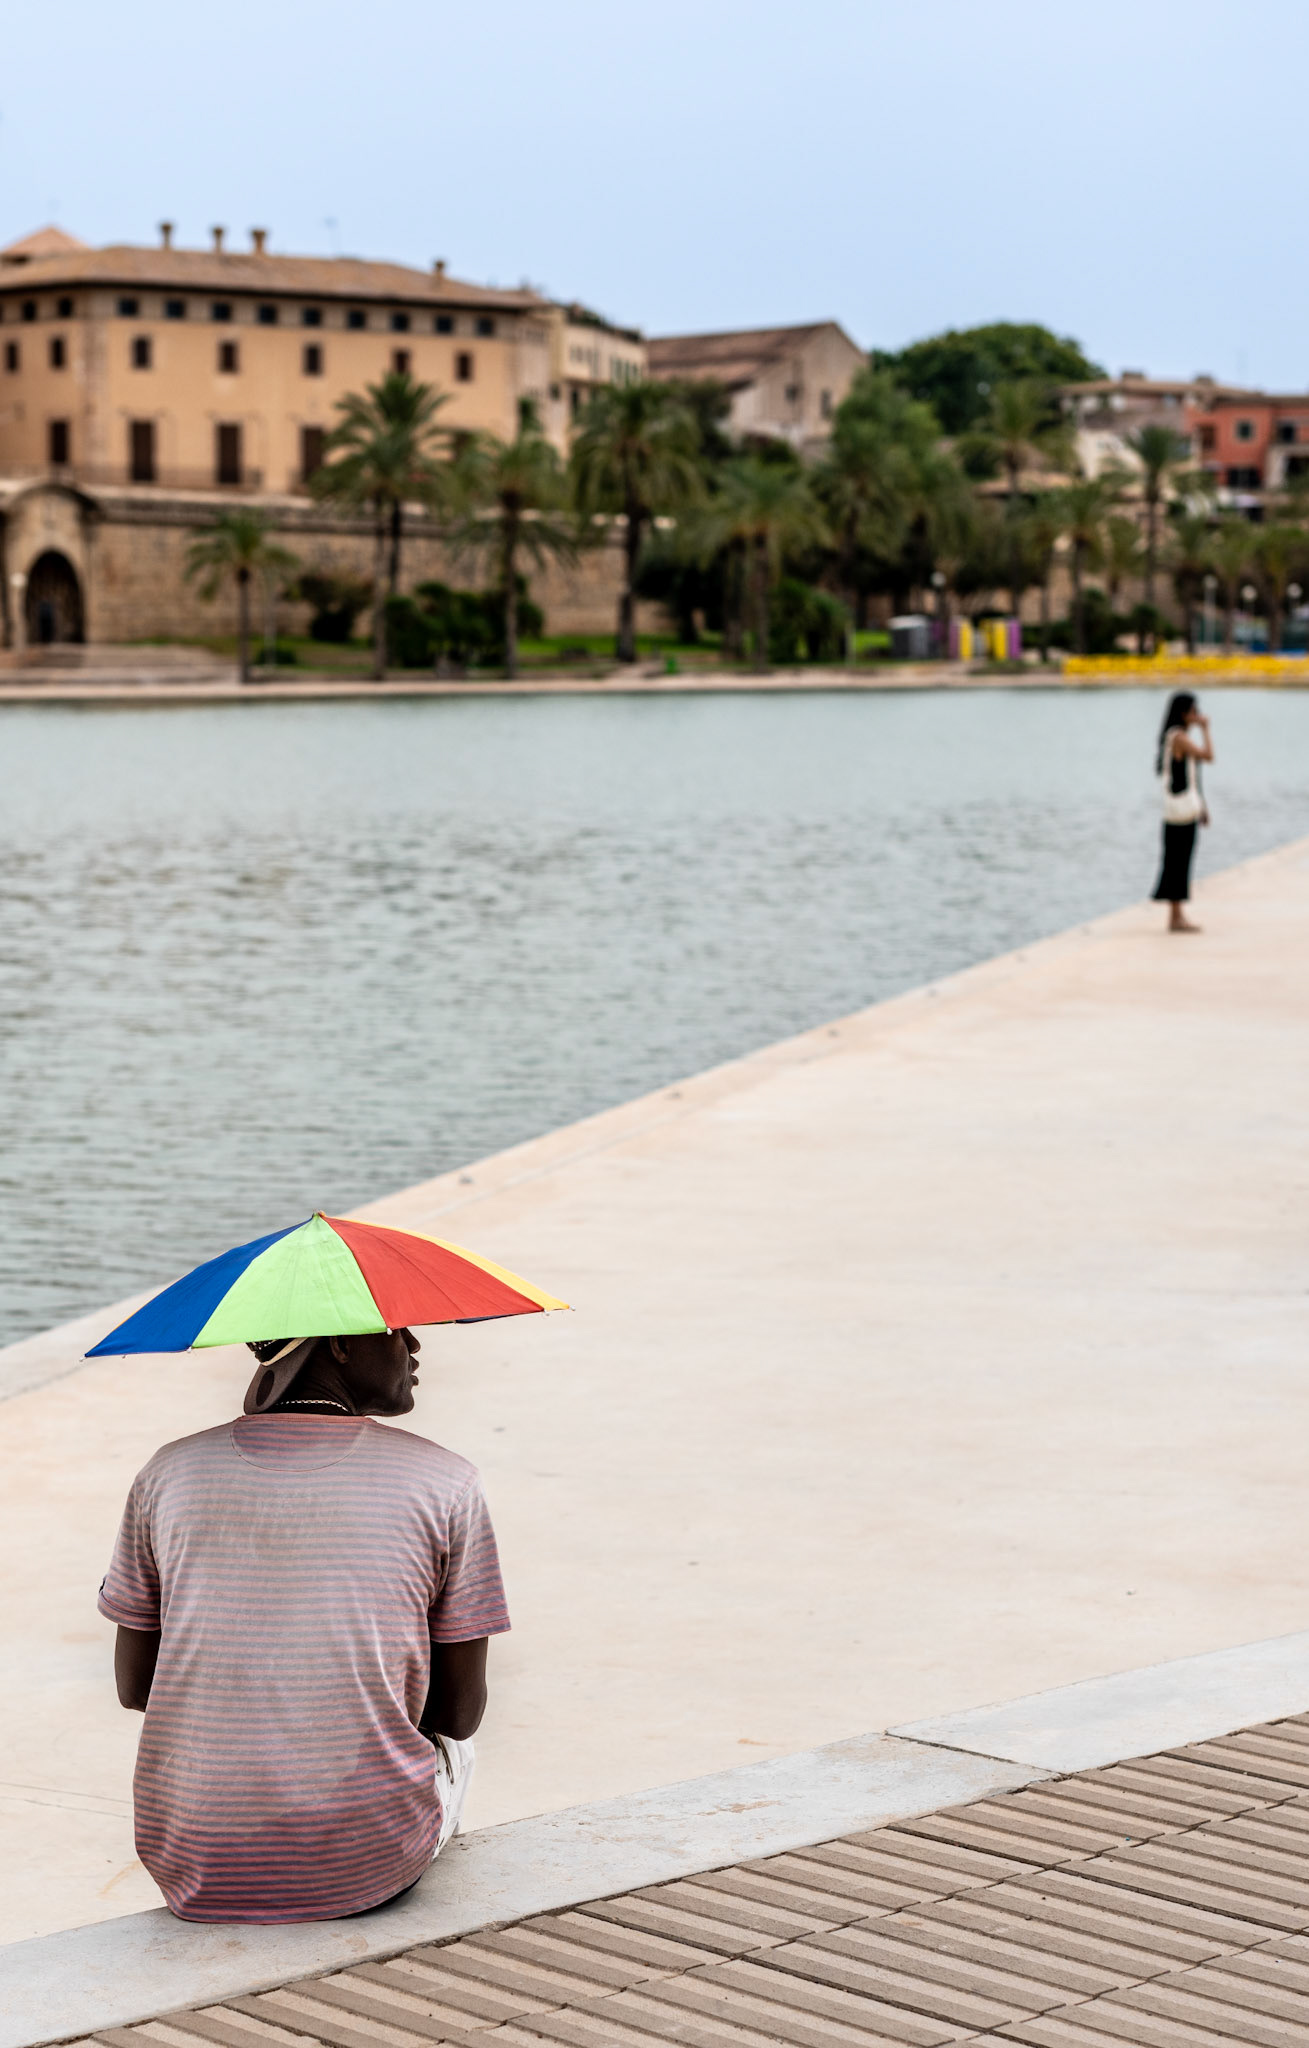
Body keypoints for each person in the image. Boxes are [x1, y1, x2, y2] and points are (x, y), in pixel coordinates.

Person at [98, 1325, 508, 1923]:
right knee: (458, 1752)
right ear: (338, 1346)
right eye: (397, 1331)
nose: (414, 1347)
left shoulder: (167, 1473)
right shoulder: (448, 1482)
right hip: (365, 1865)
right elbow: (457, 1714)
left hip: (194, 1858)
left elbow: (136, 1688)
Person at [1152, 691, 1213, 933]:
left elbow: (1192, 775)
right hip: (1180, 812)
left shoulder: (1176, 736)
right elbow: (1208, 756)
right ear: (1184, 713)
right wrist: (1206, 729)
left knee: (1178, 861)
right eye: (1194, 711)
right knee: (1178, 861)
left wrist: (1203, 806)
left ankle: (1176, 916)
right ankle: (1176, 917)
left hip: (1181, 810)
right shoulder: (1178, 737)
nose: (1197, 716)